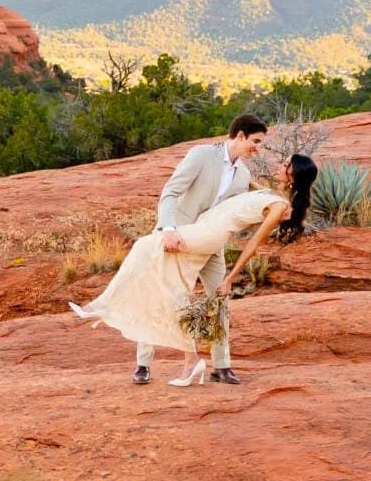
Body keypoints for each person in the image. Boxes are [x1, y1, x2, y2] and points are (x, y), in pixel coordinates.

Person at [71, 152, 318, 387]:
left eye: (285, 164)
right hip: (203, 228)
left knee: (144, 246)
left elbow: (253, 244)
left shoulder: (280, 208)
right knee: (168, 287)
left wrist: (231, 278)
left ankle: (101, 306)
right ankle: (189, 361)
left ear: (293, 174)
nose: (279, 165)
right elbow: (237, 176)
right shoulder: (268, 191)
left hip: (208, 234)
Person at [141, 115, 263, 383]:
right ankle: (143, 362)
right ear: (240, 136)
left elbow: (236, 209)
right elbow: (171, 191)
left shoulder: (243, 174)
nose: (258, 148)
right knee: (165, 297)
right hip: (179, 238)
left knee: (219, 299)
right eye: (255, 141)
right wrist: (168, 229)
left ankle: (221, 365)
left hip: (211, 244)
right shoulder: (202, 155)